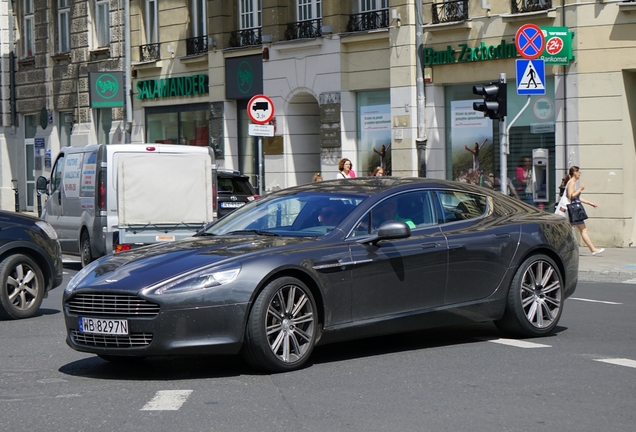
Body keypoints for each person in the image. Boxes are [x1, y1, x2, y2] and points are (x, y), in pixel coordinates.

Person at [555, 166, 604, 256]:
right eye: (579, 172)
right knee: (583, 230)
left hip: (573, 210)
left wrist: (590, 203)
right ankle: (593, 249)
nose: (580, 174)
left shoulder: (572, 182)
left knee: (568, 231)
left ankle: (560, 249)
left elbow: (577, 197)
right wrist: (580, 189)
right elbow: (571, 196)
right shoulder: (572, 183)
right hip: (573, 210)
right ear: (575, 173)